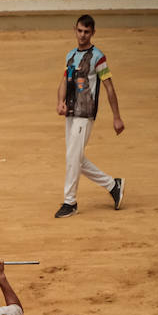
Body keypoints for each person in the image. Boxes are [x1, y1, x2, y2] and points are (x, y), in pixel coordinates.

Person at [55, 13, 124, 219]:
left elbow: (109, 88)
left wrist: (116, 117)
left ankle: (70, 201)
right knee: (75, 157)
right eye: (79, 31)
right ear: (75, 30)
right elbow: (64, 81)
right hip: (71, 112)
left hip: (85, 114)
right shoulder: (70, 56)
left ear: (92, 33)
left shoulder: (98, 57)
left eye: (87, 32)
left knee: (72, 157)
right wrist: (60, 102)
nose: (83, 35)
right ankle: (113, 186)